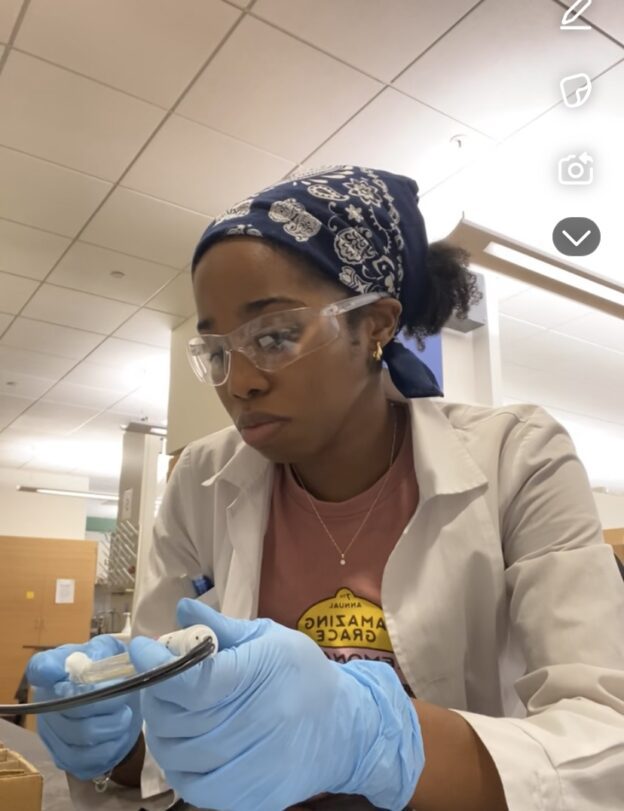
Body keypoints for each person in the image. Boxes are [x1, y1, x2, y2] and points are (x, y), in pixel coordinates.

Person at [27, 166, 624, 811]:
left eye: (274, 336)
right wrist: (114, 729)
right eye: (218, 352)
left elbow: (603, 746)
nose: (239, 383)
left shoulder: (518, 457)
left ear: (376, 326)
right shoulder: (200, 480)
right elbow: (165, 728)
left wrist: (375, 736)